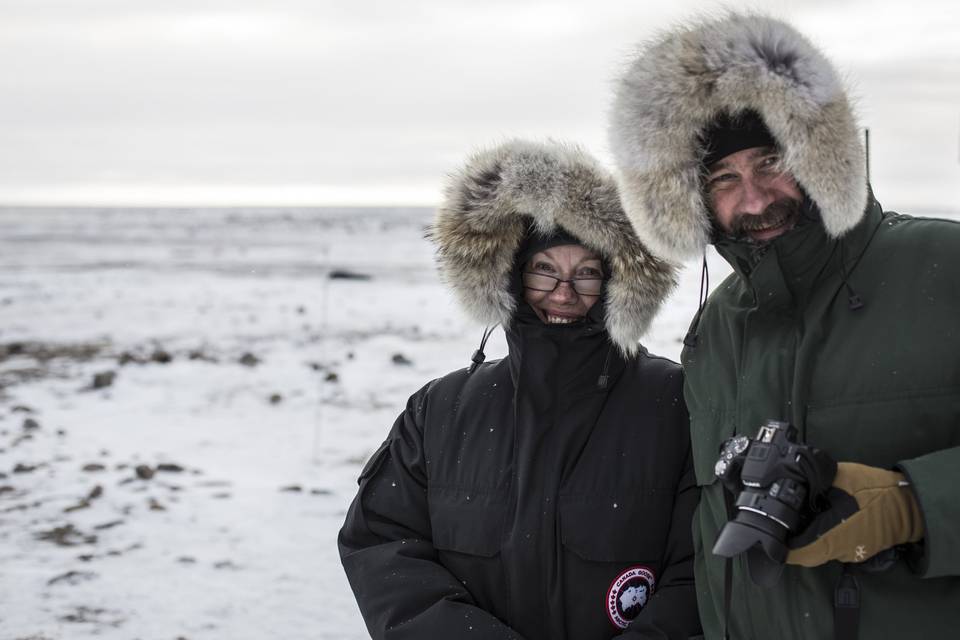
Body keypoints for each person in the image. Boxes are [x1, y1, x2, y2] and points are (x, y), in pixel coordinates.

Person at [607, 12, 960, 640]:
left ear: (817, 153)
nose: (756, 199)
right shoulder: (713, 331)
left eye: (770, 161)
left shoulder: (945, 267)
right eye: (723, 179)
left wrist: (918, 504)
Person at [338, 140, 702, 639]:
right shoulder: (441, 409)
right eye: (545, 269)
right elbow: (381, 544)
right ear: (510, 276)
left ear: (619, 282)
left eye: (587, 273)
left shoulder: (674, 402)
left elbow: (702, 568)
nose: (564, 292)